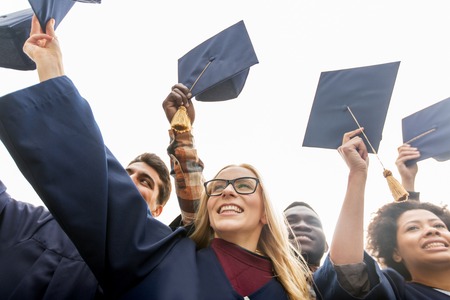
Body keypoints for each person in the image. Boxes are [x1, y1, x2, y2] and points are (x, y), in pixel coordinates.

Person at [0, 16, 313, 299]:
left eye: (244, 185)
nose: (227, 190)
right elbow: (101, 182)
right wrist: (52, 70)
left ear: (265, 213)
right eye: (216, 186)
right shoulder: (160, 255)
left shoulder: (297, 290)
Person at [313, 128, 450, 299]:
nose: (432, 230)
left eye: (439, 225)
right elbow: (349, 274)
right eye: (413, 228)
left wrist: (407, 181)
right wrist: (358, 173)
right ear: (396, 253)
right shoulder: (398, 292)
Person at [284, 202, 328, 272]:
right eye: (289, 222)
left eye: (313, 223)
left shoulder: (337, 280)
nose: (302, 225)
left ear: (326, 246)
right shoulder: (262, 279)